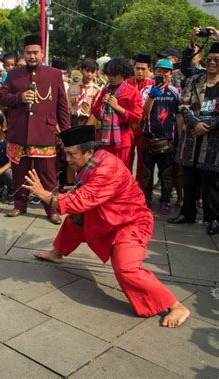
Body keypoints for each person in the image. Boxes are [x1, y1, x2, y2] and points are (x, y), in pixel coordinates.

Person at [23, 125, 191, 328]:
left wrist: (44, 195)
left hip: (130, 223)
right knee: (76, 221)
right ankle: (56, 253)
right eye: (65, 153)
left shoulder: (107, 168)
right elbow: (82, 198)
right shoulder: (93, 162)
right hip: (108, 215)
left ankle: (176, 305)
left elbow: (79, 201)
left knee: (127, 270)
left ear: (89, 151)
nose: (67, 159)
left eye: (71, 154)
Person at [0, 35, 70, 224]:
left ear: (42, 53)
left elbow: (62, 105)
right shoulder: (14, 74)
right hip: (19, 132)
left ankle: (52, 208)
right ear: (24, 53)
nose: (32, 56)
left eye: (35, 52)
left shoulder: (54, 74)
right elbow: (2, 98)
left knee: (47, 174)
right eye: (28, 52)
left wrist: (66, 133)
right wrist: (19, 98)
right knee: (19, 172)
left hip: (44, 132)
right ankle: (19, 205)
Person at [168, 42, 219, 235]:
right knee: (189, 177)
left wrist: (208, 126)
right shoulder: (195, 79)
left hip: (213, 138)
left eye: (217, 60)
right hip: (191, 135)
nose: (212, 62)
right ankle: (187, 212)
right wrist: (195, 123)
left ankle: (212, 217)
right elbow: (183, 104)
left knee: (211, 182)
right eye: (210, 59)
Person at [140, 59, 180, 213]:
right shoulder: (146, 90)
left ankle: (165, 200)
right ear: (154, 71)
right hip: (149, 139)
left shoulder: (175, 91)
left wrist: (178, 139)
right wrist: (152, 96)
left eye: (166, 71)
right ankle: (146, 198)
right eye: (159, 70)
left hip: (168, 140)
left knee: (166, 174)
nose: (162, 74)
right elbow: (142, 114)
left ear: (171, 73)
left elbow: (178, 114)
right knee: (147, 173)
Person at [88, 57, 143, 170]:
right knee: (103, 172)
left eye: (115, 75)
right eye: (109, 74)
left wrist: (117, 107)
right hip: (104, 138)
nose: (111, 78)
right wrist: (102, 105)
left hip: (123, 139)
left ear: (123, 74)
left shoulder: (132, 92)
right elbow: (96, 113)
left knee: (121, 172)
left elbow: (137, 118)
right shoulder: (105, 90)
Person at [126, 54, 155, 183]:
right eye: (137, 68)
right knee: (126, 159)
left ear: (149, 70)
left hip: (145, 128)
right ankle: (125, 187)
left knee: (143, 161)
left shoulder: (154, 86)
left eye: (143, 69)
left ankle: (139, 189)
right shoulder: (126, 84)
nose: (140, 71)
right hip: (128, 128)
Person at [67, 58, 101, 128]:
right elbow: (67, 107)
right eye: (87, 71)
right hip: (73, 120)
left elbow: (94, 112)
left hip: (88, 121)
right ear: (81, 70)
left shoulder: (97, 90)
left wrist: (87, 127)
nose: (89, 74)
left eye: (92, 72)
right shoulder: (72, 87)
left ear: (96, 73)